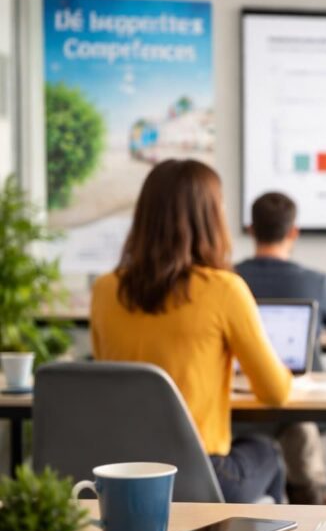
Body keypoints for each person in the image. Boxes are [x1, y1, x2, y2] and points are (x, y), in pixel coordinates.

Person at [91, 159, 292, 504]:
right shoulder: (223, 289)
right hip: (200, 476)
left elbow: (108, 370)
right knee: (268, 452)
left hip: (124, 475)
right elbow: (275, 393)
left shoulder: (106, 289)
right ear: (210, 218)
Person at [235, 191, 326, 505]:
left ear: (251, 229)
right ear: (293, 232)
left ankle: (307, 495)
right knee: (297, 422)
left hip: (236, 406)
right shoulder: (316, 282)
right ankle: (316, 498)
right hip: (300, 406)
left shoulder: (228, 279)